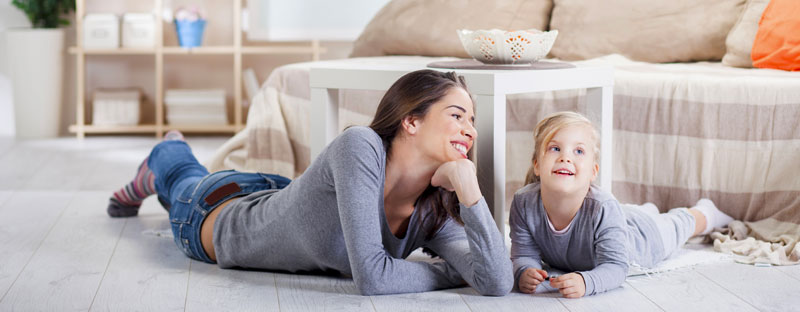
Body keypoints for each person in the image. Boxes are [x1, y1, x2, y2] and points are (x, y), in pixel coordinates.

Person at [106, 69, 513, 296]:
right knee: (181, 175)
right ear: (411, 120)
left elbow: (496, 281)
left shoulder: (434, 209)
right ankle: (162, 156)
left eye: (473, 120)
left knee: (196, 180)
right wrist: (452, 273)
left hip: (279, 194)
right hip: (211, 214)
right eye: (457, 115)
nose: (470, 130)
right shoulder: (361, 145)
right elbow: (372, 278)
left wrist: (470, 192)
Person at [509, 111, 734, 298]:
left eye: (578, 151)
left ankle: (707, 212)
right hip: (619, 217)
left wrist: (587, 282)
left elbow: (616, 267)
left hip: (642, 239)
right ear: (537, 164)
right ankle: (645, 210)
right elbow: (523, 253)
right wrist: (525, 271)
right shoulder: (523, 203)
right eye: (555, 148)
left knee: (678, 224)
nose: (565, 158)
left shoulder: (603, 207)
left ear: (593, 172)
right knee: (627, 213)